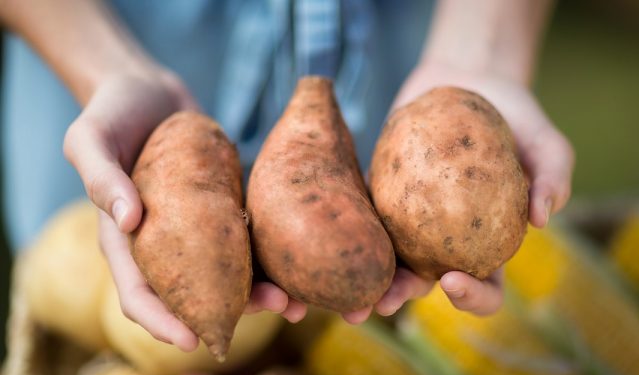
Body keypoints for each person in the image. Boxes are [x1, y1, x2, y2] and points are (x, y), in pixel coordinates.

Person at [1, 0, 573, 352]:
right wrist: (106, 72)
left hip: (419, 62)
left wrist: (483, 54)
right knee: (75, 287)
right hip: (120, 36)